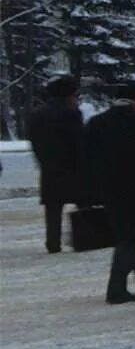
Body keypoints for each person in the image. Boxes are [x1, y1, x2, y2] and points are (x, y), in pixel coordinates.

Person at [84, 83, 135, 304]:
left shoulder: (96, 123)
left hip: (106, 189)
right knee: (128, 237)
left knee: (126, 234)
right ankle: (116, 289)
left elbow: (85, 159)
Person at [26, 76, 84, 254]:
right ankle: (83, 237)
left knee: (53, 207)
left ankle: (53, 242)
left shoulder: (37, 114)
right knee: (83, 202)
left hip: (49, 167)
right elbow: (78, 141)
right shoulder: (72, 113)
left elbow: (32, 139)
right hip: (72, 167)